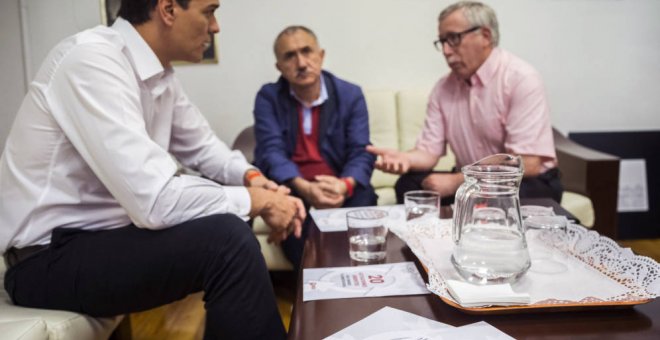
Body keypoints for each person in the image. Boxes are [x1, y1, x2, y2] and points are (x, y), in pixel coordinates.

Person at [0, 0, 305, 339]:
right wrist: (259, 200)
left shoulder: (161, 75)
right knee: (227, 240)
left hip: (102, 242)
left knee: (233, 217)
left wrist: (256, 181)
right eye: (209, 11)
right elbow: (156, 201)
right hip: (45, 261)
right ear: (168, 9)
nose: (215, 27)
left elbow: (204, 147)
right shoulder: (91, 60)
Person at [367, 1, 562, 204]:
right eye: (442, 41)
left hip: (524, 182)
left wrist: (458, 182)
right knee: (408, 184)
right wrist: (404, 159)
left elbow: (527, 163)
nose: (446, 50)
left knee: (499, 198)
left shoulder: (521, 78)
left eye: (453, 39)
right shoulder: (443, 88)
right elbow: (428, 152)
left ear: (485, 36)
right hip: (468, 179)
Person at [253, 26, 377, 268]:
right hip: (294, 185)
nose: (301, 63)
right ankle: (315, 294)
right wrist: (305, 188)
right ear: (279, 67)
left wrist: (344, 185)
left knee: (363, 203)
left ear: (321, 55)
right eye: (290, 56)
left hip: (339, 181)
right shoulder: (268, 97)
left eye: (307, 51)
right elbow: (271, 151)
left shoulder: (350, 94)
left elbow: (361, 150)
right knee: (298, 235)